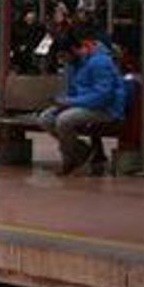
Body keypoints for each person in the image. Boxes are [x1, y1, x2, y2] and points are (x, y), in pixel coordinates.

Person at [37, 26, 126, 175]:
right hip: (82, 104)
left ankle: (72, 158)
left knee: (64, 120)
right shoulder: (72, 64)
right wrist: (63, 102)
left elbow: (103, 96)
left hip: (106, 108)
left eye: (64, 56)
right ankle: (80, 151)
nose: (63, 61)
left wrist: (69, 103)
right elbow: (72, 91)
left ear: (74, 50)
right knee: (46, 118)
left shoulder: (100, 61)